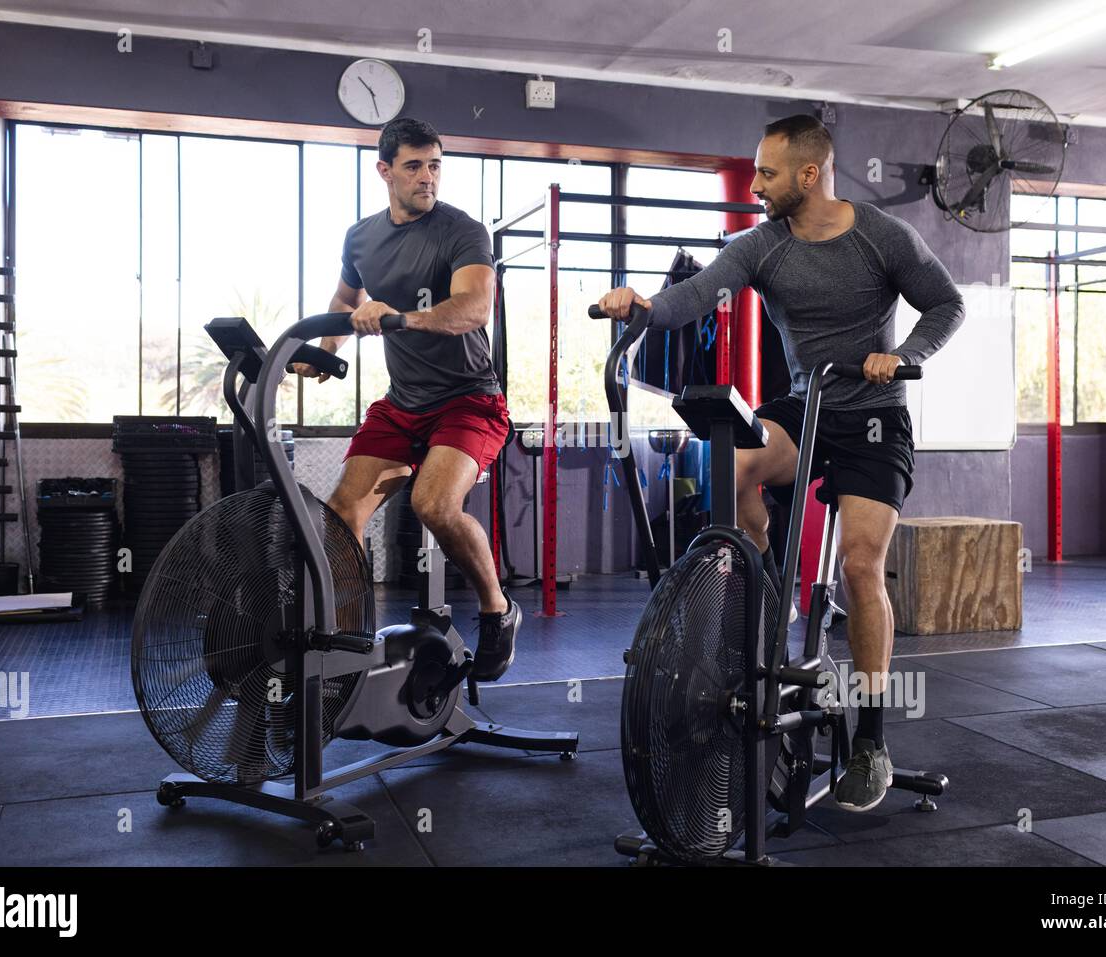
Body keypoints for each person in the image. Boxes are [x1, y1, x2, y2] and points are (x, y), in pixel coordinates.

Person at [596, 114, 965, 811]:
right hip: (807, 404)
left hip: (873, 415)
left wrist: (906, 355)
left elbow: (946, 304)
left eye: (767, 173)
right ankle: (765, 613)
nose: (756, 184)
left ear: (807, 174)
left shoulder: (883, 237)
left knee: (860, 565)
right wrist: (642, 305)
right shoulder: (761, 245)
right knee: (731, 462)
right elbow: (694, 295)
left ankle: (871, 740)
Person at [292, 117, 519, 682]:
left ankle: (497, 609)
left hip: (469, 401)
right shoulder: (361, 236)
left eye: (435, 165)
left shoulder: (462, 231)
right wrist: (325, 350)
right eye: (414, 166)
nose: (428, 177)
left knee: (433, 505)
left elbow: (473, 307)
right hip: (403, 403)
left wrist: (399, 318)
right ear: (385, 171)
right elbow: (346, 299)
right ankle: (347, 649)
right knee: (342, 515)